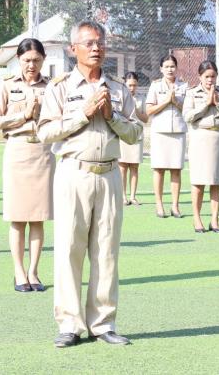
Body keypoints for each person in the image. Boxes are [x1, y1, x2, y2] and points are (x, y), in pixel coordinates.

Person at [37, 20, 141, 348]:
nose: (96, 48)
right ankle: (69, 324)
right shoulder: (60, 87)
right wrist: (82, 114)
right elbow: (45, 132)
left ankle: (103, 322)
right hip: (74, 173)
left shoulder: (118, 89)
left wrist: (111, 116)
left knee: (106, 251)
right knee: (69, 248)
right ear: (73, 49)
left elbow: (136, 133)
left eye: (100, 42)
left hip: (109, 174)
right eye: (88, 43)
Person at [0, 38, 55, 292]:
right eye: (26, 60)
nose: (31, 65)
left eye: (36, 60)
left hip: (43, 153)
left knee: (38, 217)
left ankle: (34, 271)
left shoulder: (51, 87)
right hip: (17, 151)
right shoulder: (7, 85)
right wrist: (23, 115)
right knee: (17, 217)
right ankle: (18, 271)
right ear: (18, 59)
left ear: (43, 60)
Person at [182, 60, 219, 234]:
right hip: (200, 138)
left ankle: (214, 219)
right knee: (198, 181)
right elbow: (187, 116)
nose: (210, 80)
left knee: (216, 181)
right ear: (200, 76)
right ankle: (197, 218)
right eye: (206, 76)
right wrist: (206, 104)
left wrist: (218, 104)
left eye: (213, 76)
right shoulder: (192, 93)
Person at [145, 54, 188, 218]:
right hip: (160, 132)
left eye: (172, 66)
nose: (170, 69)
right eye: (167, 67)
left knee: (176, 170)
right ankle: (159, 205)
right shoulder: (155, 85)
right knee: (159, 169)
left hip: (178, 132)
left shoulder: (184, 86)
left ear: (176, 68)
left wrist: (175, 101)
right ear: (161, 69)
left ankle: (175, 206)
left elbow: (188, 110)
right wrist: (165, 101)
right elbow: (149, 110)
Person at [119, 72, 148, 206]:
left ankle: (133, 196)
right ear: (124, 84)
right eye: (129, 85)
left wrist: (136, 109)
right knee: (123, 167)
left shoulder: (141, 98)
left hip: (137, 135)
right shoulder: (120, 97)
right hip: (123, 135)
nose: (132, 88)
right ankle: (123, 196)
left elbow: (145, 119)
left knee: (134, 167)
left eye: (134, 85)